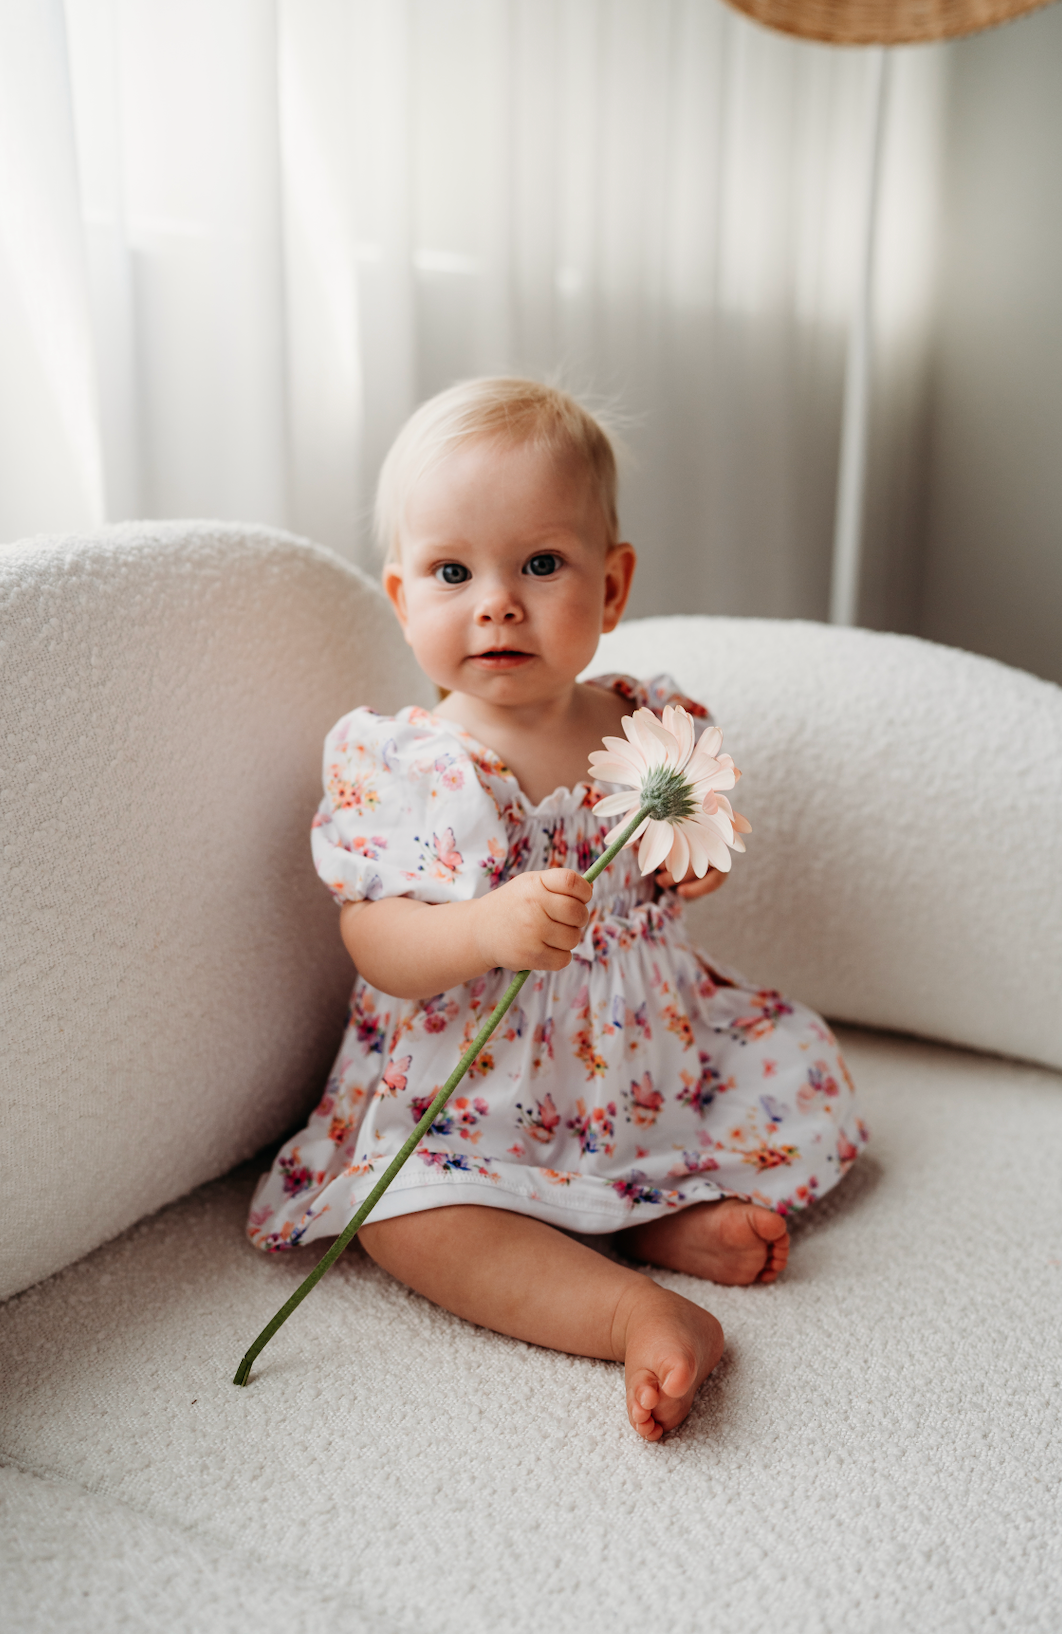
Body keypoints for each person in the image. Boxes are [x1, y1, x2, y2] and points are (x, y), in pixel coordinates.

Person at [247, 378, 868, 1440]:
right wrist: (482, 929)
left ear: (613, 584)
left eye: (541, 563)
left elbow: (699, 835)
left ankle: (652, 1213)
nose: (497, 600)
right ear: (402, 598)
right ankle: (630, 1304)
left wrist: (693, 856)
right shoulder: (409, 765)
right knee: (401, 1215)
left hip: (643, 1071)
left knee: (777, 1080)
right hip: (472, 1097)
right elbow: (375, 939)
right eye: (454, 571)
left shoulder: (647, 723)